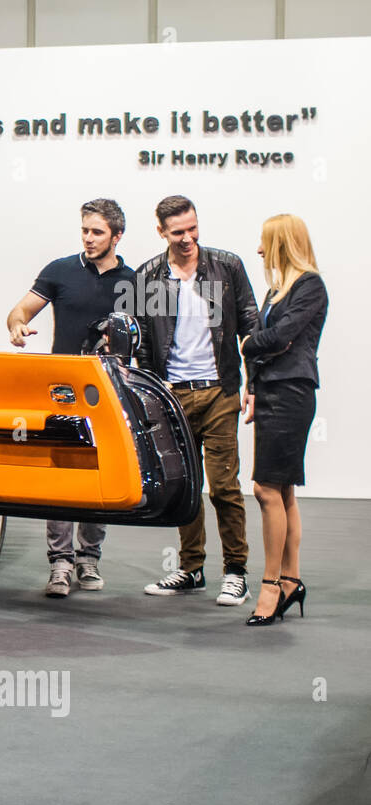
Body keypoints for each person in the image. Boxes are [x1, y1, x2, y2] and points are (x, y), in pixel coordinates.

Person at [6, 198, 136, 598]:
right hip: (62, 389)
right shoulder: (60, 270)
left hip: (109, 390)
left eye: (97, 232)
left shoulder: (133, 280)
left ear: (116, 235)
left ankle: (88, 559)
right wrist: (17, 327)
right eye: (85, 230)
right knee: (62, 473)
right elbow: (20, 311)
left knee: (99, 472)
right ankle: (59, 563)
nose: (89, 238)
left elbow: (144, 335)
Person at [134, 196, 259, 606]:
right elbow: (146, 346)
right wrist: (154, 393)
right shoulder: (149, 276)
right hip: (173, 395)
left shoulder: (227, 266)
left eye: (192, 228)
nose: (187, 238)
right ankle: (191, 569)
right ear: (161, 232)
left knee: (224, 486)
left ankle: (236, 572)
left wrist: (253, 384)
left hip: (220, 390)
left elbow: (251, 329)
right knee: (184, 488)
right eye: (177, 232)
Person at [239, 214, 327, 625]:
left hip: (292, 393)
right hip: (272, 392)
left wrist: (249, 343)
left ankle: (271, 584)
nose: (259, 249)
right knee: (284, 490)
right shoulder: (277, 290)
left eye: (264, 241)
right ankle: (291, 580)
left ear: (280, 243)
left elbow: (275, 339)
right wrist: (253, 387)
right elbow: (263, 346)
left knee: (265, 488)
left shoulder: (309, 285)